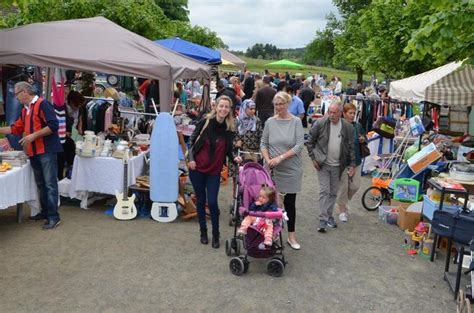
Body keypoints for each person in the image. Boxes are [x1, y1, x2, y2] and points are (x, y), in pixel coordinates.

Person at [0, 82, 63, 229]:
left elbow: (53, 125)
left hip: (46, 150)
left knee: (50, 184)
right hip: (34, 152)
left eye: (16, 94)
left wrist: (32, 136)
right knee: (41, 184)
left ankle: (54, 216)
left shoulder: (43, 104)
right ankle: (46, 212)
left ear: (24, 92)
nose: (16, 98)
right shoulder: (25, 110)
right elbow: (16, 128)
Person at [188, 95, 241, 249]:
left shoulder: (230, 128)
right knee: (200, 200)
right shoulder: (205, 121)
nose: (223, 109)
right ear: (215, 107)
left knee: (212, 202)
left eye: (226, 107)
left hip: (214, 171)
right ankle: (203, 232)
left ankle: (216, 234)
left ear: (229, 110)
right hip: (197, 168)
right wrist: (191, 159)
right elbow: (191, 140)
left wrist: (234, 159)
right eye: (221, 106)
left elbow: (229, 151)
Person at [261, 91, 304, 250]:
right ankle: (270, 233)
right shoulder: (270, 122)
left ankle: (291, 236)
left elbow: (299, 146)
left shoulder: (296, 122)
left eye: (281, 104)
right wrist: (267, 159)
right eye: (276, 104)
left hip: (291, 169)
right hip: (272, 169)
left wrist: (280, 158)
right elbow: (263, 144)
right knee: (271, 202)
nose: (278, 107)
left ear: (288, 104)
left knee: (290, 204)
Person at [305, 100, 355, 233]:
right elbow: (309, 141)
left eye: (334, 113)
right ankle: (323, 220)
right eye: (330, 112)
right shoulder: (320, 123)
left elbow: (350, 147)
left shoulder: (347, 127)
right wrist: (313, 158)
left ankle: (328, 216)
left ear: (340, 114)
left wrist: (352, 165)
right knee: (325, 191)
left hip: (339, 165)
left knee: (333, 192)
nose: (331, 115)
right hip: (323, 163)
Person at [335, 103, 366, 223]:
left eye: (354, 113)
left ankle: (343, 201)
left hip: (356, 160)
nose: (352, 115)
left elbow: (364, 136)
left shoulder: (357, 126)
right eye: (350, 113)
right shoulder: (339, 126)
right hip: (342, 161)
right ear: (344, 113)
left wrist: (363, 138)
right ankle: (343, 210)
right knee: (343, 187)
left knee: (355, 185)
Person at [229, 99, 263, 193]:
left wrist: (262, 150)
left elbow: (261, 136)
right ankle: (236, 201)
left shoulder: (257, 121)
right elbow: (229, 138)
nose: (253, 111)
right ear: (244, 108)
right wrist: (235, 143)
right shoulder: (236, 121)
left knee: (252, 180)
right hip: (239, 154)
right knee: (237, 180)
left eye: (254, 109)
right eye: (250, 109)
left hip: (253, 154)